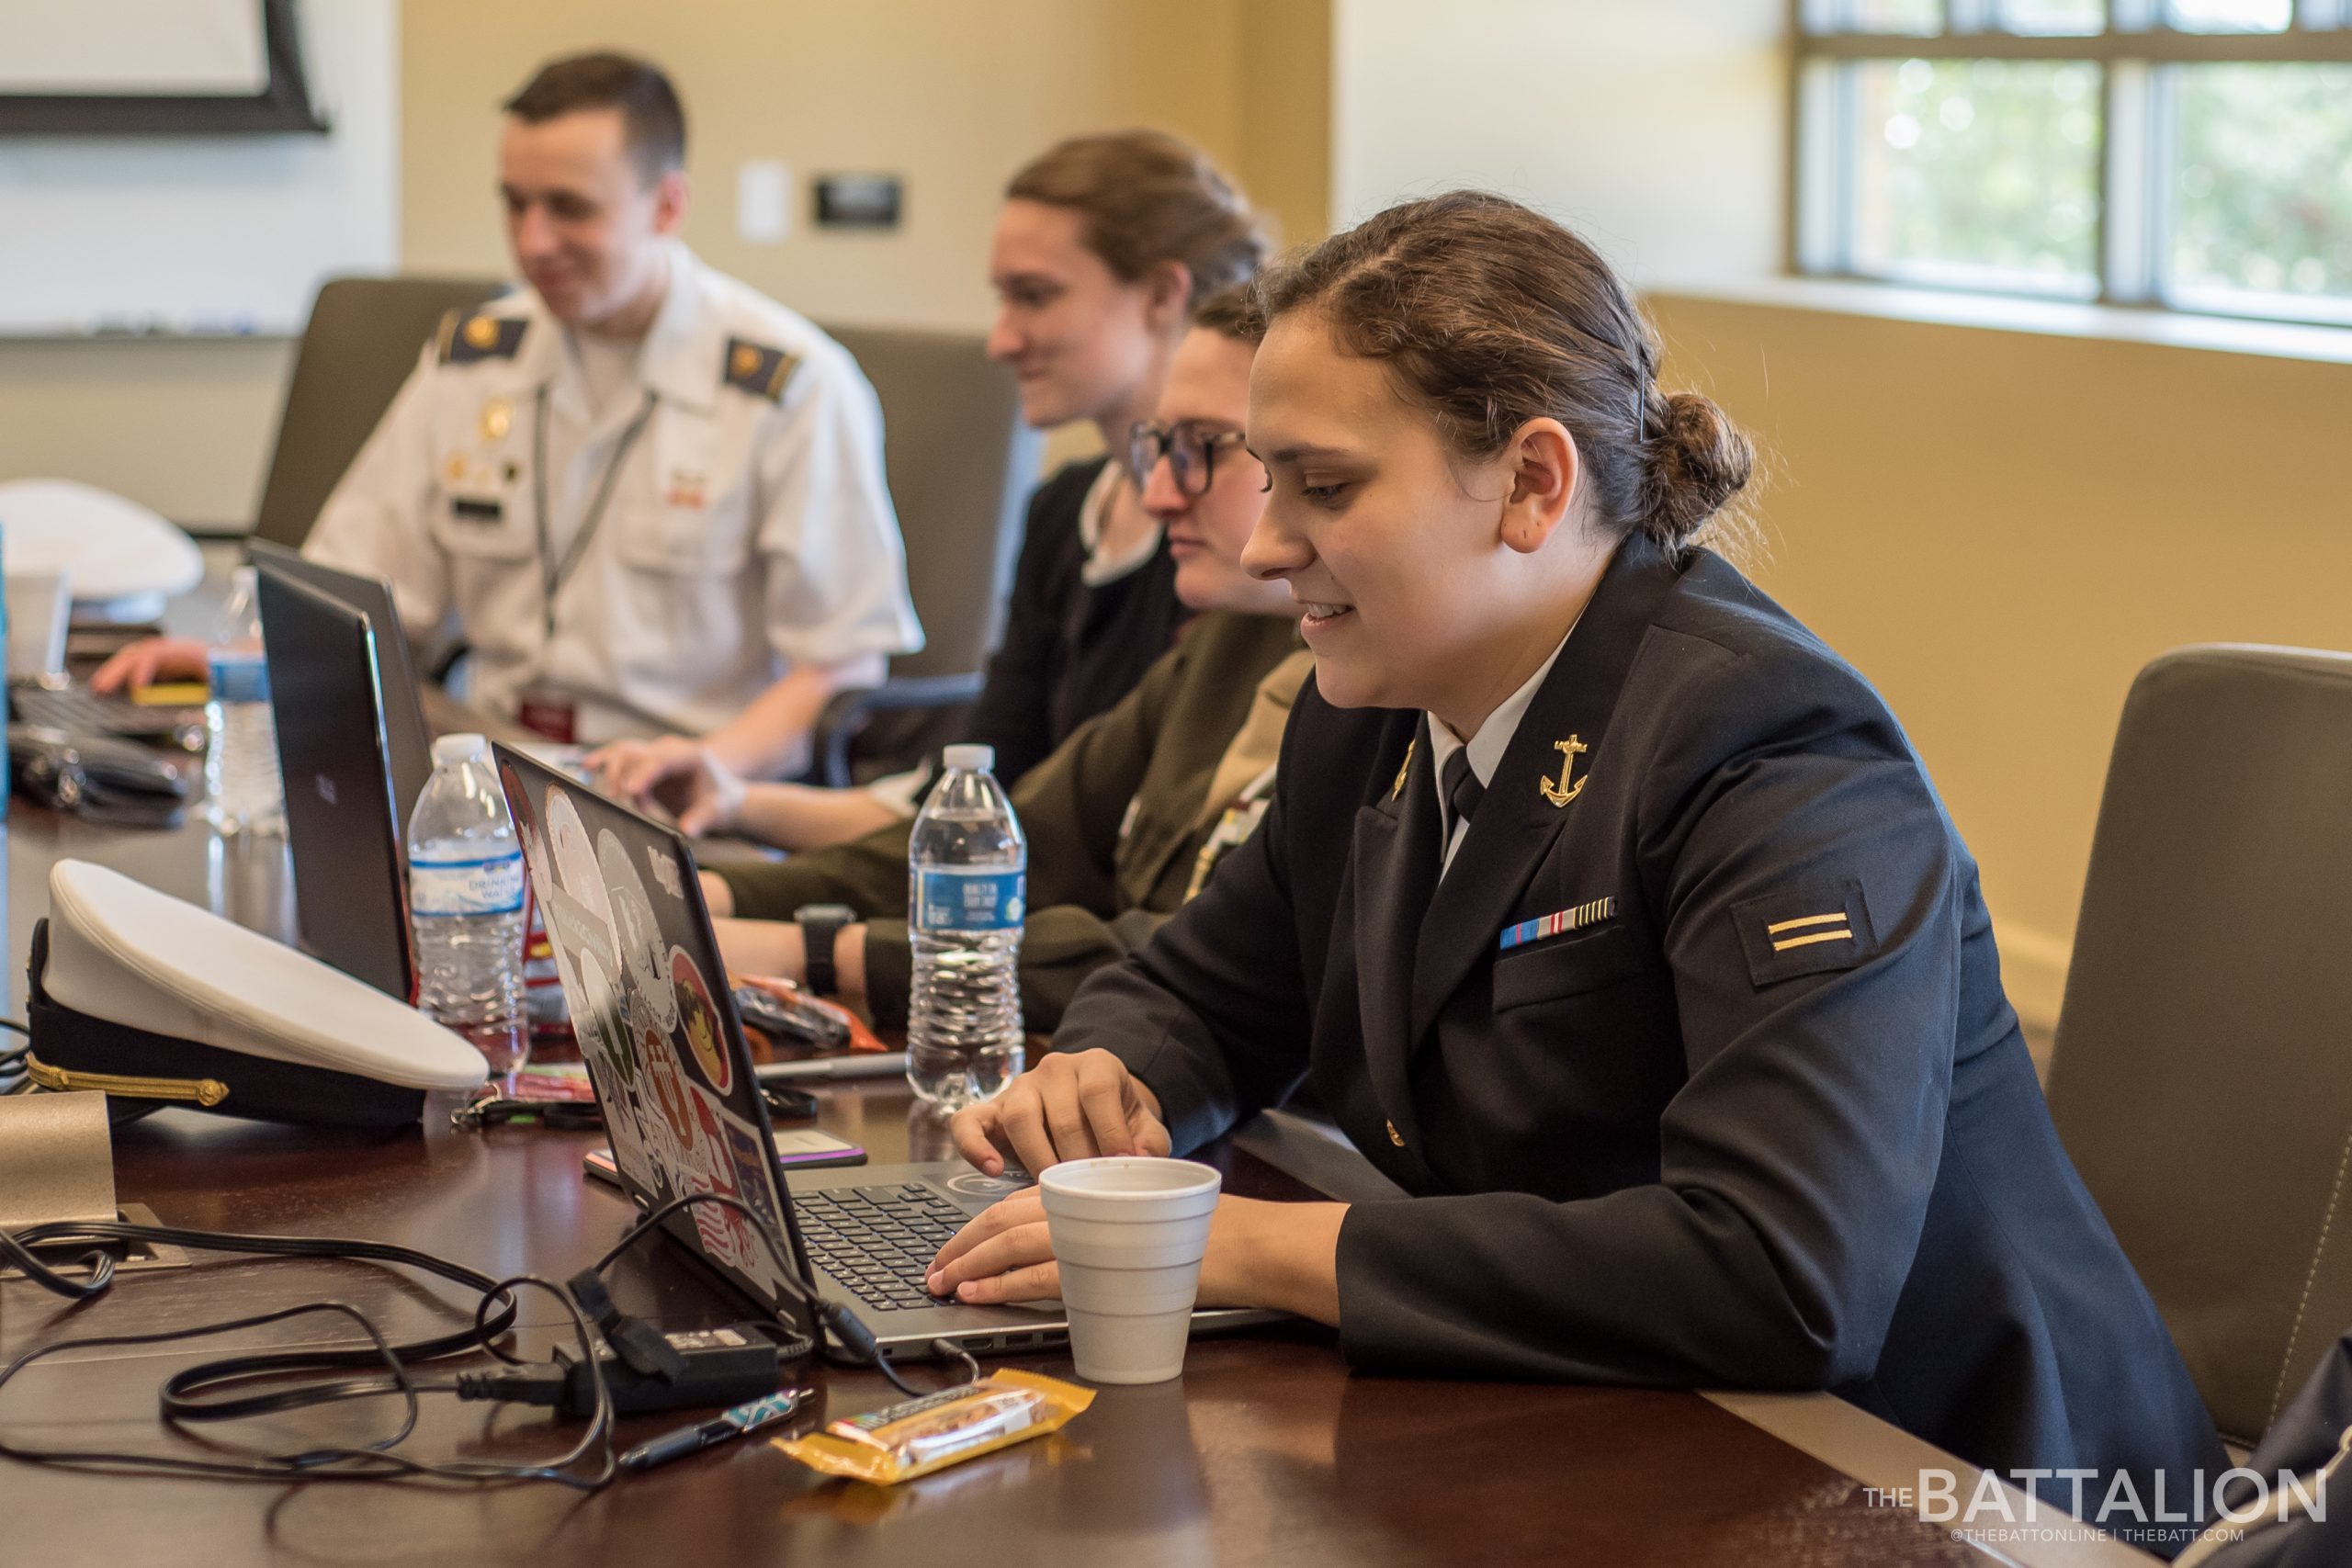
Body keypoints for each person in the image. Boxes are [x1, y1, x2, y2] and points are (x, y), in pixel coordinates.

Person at [925, 191, 2229, 1545]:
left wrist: (1240, 1245)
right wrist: (1113, 1081)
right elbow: (1203, 989)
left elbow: (1780, 1270)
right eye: (1268, 475)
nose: (1264, 540)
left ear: (1535, 484)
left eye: (1328, 483)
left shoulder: (1770, 748)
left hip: (1959, 1484)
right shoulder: (1366, 707)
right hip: (1640, 1429)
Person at [100, 53, 921, 781]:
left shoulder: (789, 388)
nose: (533, 242)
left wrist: (710, 768)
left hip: (672, 787)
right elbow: (361, 585)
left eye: (570, 208)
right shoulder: (478, 357)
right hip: (482, 766)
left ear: (667, 205)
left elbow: (837, 663)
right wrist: (237, 662)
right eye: (515, 203)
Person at [594, 130, 1269, 845]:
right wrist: (730, 799)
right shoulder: (1065, 510)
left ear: (1163, 293)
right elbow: (968, 802)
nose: (1001, 339)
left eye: (1034, 297)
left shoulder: (1235, 554)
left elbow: (1058, 846)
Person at [699, 290, 1305, 1033]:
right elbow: (1018, 839)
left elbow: (1189, 959)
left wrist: (818, 951)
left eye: (1205, 447)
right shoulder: (1227, 639)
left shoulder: (1369, 689)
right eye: (1160, 448)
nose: (1157, 492)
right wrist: (714, 899)